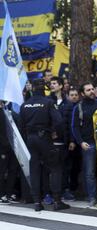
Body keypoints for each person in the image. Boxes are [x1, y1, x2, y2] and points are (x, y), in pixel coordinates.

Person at [20, 79, 71, 211]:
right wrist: (55, 133)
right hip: (45, 138)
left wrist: (29, 138)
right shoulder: (48, 102)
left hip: (31, 139)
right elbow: (59, 122)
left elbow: (21, 126)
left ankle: (37, 202)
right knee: (55, 168)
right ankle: (57, 201)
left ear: (32, 89)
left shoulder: (25, 105)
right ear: (44, 88)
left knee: (35, 170)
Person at [72, 82, 97, 207]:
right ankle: (92, 197)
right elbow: (74, 127)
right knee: (89, 173)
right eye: (88, 90)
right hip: (88, 144)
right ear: (83, 93)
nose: (92, 91)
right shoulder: (78, 107)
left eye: (92, 88)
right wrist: (80, 142)